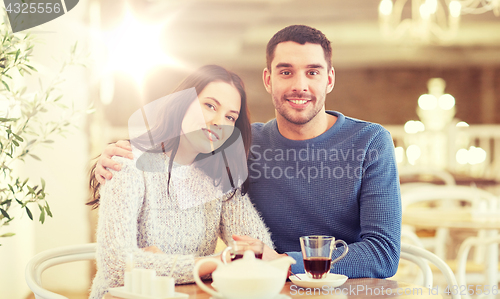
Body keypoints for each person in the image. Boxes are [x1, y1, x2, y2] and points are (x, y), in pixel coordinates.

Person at [95, 25, 402, 279]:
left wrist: (280, 262)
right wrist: (109, 160)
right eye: (286, 72)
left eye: (312, 72)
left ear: (329, 79)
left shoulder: (371, 142)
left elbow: (383, 253)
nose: (299, 85)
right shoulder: (239, 150)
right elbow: (118, 261)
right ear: (268, 80)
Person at [87, 65, 273, 299]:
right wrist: (213, 263)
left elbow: (261, 253)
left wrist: (155, 263)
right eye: (210, 105)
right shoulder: (128, 164)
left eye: (230, 117)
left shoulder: (220, 180)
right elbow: (116, 267)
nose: (219, 122)